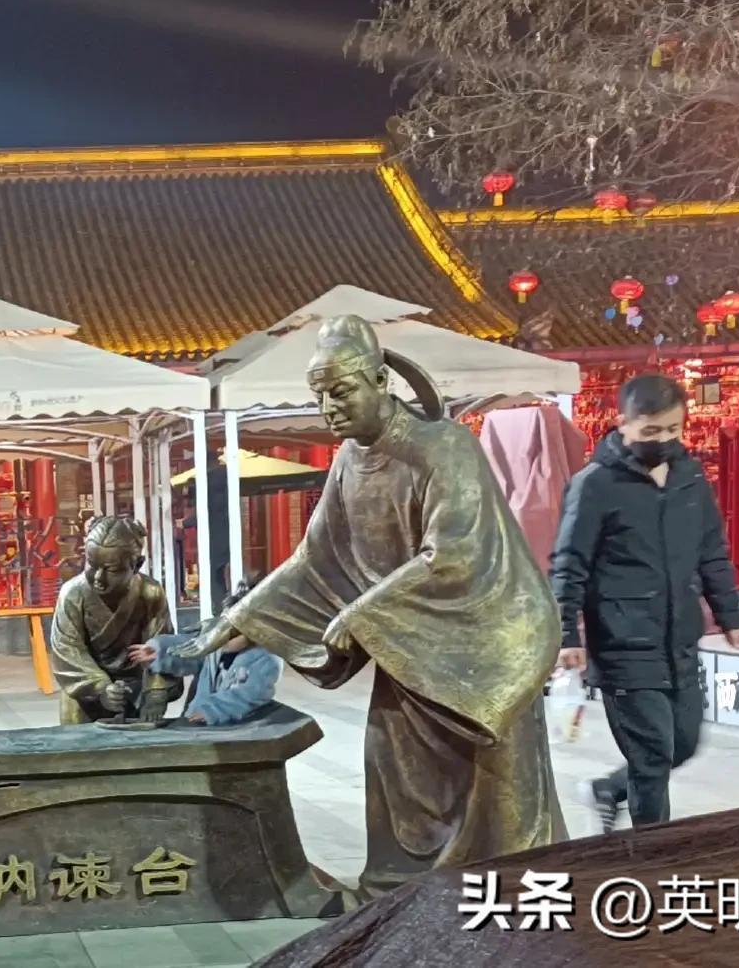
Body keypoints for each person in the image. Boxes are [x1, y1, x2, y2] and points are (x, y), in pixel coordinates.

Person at [180, 315, 563, 900]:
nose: (329, 408)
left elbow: (453, 555)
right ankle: (400, 893)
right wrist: (241, 620)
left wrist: (359, 615)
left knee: (494, 800)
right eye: (319, 396)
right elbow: (317, 557)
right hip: (405, 644)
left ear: (381, 380)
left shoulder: (445, 448)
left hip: (484, 650)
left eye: (341, 391)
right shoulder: (348, 461)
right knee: (391, 759)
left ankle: (501, 903)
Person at [552, 373, 739, 833]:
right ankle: (652, 855)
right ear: (623, 423)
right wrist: (567, 635)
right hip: (622, 641)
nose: (662, 440)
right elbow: (569, 563)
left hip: (679, 638)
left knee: (682, 744)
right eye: (650, 431)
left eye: (671, 430)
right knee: (651, 756)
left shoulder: (690, 478)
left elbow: (711, 550)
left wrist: (729, 614)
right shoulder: (595, 485)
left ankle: (609, 790)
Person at [47, 516, 178, 724]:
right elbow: (67, 649)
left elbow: (159, 646)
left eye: (112, 570)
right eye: (92, 564)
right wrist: (101, 687)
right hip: (86, 688)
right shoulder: (73, 593)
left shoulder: (150, 593)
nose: (99, 577)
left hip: (135, 688)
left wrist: (156, 690)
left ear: (137, 565)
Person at [128, 581, 282, 726]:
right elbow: (191, 648)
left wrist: (212, 710)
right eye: (222, 628)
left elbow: (250, 694)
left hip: (236, 727)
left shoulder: (266, 660)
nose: (224, 637)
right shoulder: (215, 648)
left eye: (235, 633)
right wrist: (159, 652)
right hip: (199, 721)